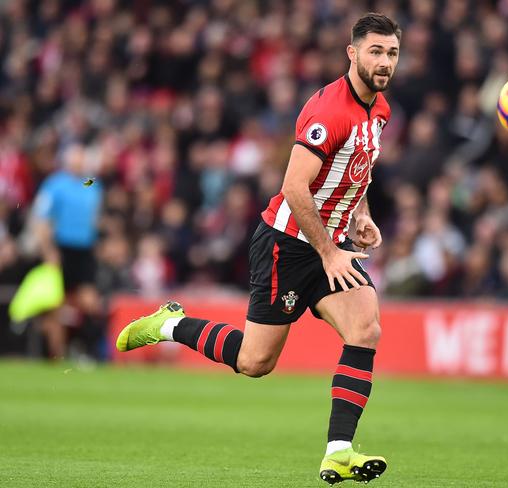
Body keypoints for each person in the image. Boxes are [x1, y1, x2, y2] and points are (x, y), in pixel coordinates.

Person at [116, 12, 401, 484]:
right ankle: (170, 323)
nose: (384, 61)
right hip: (287, 245)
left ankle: (339, 451)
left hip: (329, 244)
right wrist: (330, 251)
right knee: (254, 362)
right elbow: (294, 187)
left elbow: (354, 167)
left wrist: (360, 213)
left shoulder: (381, 109)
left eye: (391, 52)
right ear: (352, 54)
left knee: (365, 328)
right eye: (375, 51)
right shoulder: (329, 110)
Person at [31, 143, 104, 359]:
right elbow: (41, 219)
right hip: (61, 249)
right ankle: (57, 356)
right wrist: (48, 251)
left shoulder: (91, 184)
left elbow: (95, 217)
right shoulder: (54, 185)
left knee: (90, 302)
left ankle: (86, 350)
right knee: (56, 306)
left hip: (85, 250)